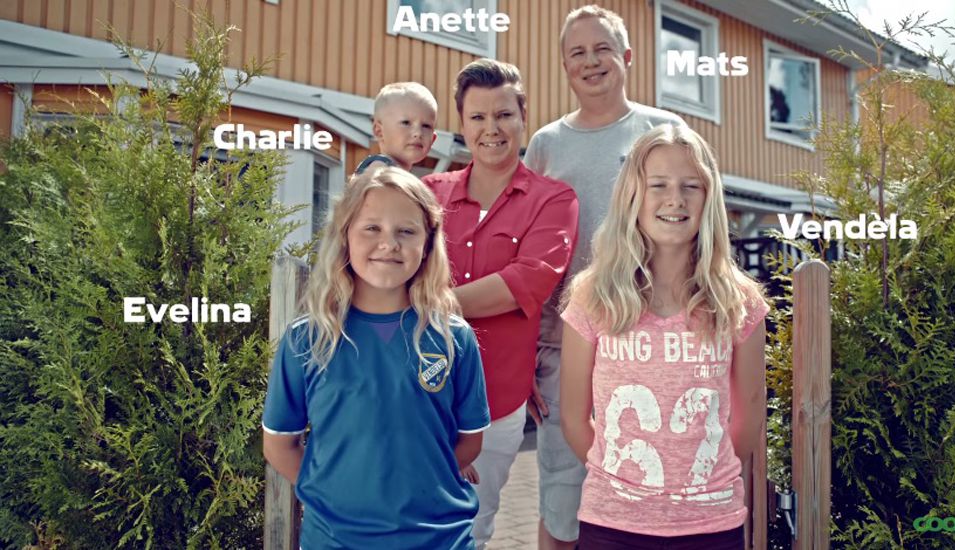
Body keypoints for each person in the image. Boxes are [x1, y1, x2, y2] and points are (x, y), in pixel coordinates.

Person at [522, 5, 686, 548]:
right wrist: (524, 358)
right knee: (563, 491)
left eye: (602, 49)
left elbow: (697, 229)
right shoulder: (546, 144)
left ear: (627, 58)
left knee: (651, 484)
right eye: (577, 52)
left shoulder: (664, 131)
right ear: (564, 66)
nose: (591, 61)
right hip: (561, 344)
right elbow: (527, 252)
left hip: (651, 340)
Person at [559, 124, 768, 549]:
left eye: (691, 185)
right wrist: (623, 480)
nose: (675, 199)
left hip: (710, 524)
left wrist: (698, 484)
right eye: (659, 185)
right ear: (633, 196)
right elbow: (574, 418)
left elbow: (748, 421)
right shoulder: (592, 296)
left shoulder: (739, 301)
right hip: (613, 524)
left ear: (709, 198)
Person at [261, 166, 491, 549]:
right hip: (335, 540)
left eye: (406, 231)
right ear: (344, 236)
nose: (389, 243)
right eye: (372, 228)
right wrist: (337, 498)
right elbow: (279, 446)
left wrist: (416, 479)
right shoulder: (307, 339)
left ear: (428, 244)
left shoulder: (454, 339)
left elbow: (469, 442)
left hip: (439, 540)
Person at [423, 58, 579, 549]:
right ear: (462, 123)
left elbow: (525, 283)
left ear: (523, 116)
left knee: (473, 523)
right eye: (478, 117)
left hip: (496, 400)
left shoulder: (554, 200)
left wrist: (428, 304)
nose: (492, 129)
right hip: (416, 390)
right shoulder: (428, 195)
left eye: (504, 115)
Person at [354, 82, 438, 174]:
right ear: (379, 131)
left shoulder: (397, 175)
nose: (418, 133)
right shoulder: (379, 173)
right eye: (406, 123)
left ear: (433, 139)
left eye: (426, 126)